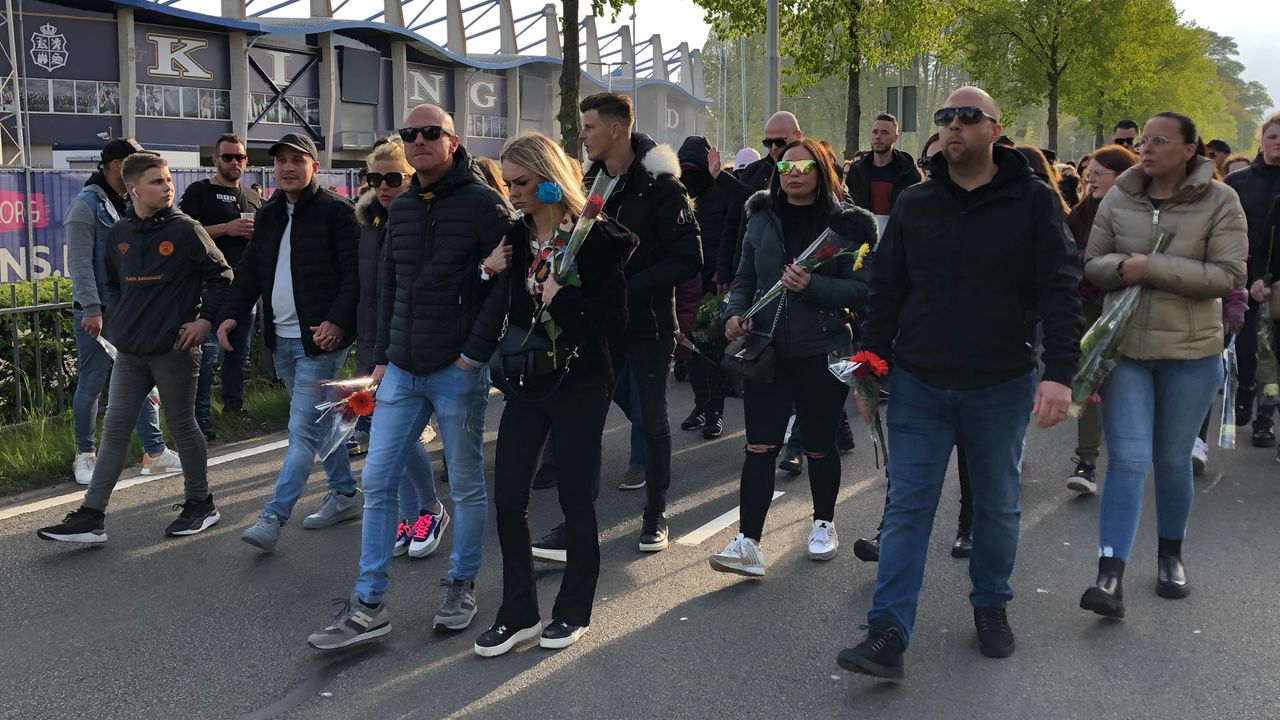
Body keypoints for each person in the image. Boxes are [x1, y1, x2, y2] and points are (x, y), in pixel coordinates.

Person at [838, 87, 1081, 679]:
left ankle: (991, 605)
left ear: (996, 130)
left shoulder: (1033, 202)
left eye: (968, 117)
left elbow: (1060, 290)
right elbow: (886, 290)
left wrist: (1060, 376)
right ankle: (888, 631)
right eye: (945, 118)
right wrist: (868, 368)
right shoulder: (917, 203)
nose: (953, 127)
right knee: (906, 508)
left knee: (997, 508)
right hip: (921, 384)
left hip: (1000, 384)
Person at [305, 105, 513, 649]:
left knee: (465, 485)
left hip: (456, 371)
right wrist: (381, 357)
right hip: (400, 366)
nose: (418, 141)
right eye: (410, 134)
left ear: (453, 141)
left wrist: (472, 356)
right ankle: (368, 603)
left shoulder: (485, 205)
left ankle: (462, 584)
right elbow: (389, 290)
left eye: (429, 134)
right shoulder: (398, 212)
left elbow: (501, 291)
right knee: (377, 483)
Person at [471, 132, 636, 657]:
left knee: (575, 498)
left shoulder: (597, 237)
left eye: (521, 182)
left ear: (548, 181)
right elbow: (502, 307)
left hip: (583, 381)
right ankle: (518, 611)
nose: (513, 192)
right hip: (528, 381)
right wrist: (486, 271)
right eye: (507, 182)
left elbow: (616, 320)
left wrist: (566, 301)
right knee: (509, 496)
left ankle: (572, 611)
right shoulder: (514, 239)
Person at [1079, 112, 1246, 618]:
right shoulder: (1120, 195)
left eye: (1159, 141)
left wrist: (1151, 267)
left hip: (1191, 355)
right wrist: (1124, 268)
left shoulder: (1221, 200)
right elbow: (1092, 263)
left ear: (1190, 150)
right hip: (1125, 350)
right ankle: (1110, 574)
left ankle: (1170, 555)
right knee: (1127, 460)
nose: (1146, 148)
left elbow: (1228, 273)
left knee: (1172, 462)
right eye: (1144, 140)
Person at [38, 152, 233, 543]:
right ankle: (92, 516)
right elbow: (111, 282)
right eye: (157, 181)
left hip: (173, 348)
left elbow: (223, 275)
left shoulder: (186, 229)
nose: (167, 187)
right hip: (130, 350)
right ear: (133, 189)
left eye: (167, 180)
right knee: (114, 430)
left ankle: (201, 503)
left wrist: (204, 321)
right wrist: (118, 318)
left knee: (181, 424)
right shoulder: (120, 234)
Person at [535, 92, 699, 556]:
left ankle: (655, 514)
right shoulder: (588, 183)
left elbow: (690, 257)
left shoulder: (662, 185)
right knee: (582, 423)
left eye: (588, 127)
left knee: (651, 418)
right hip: (596, 326)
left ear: (616, 130)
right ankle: (574, 524)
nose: (581, 135)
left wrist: (626, 286)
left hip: (647, 326)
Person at [710, 138, 874, 577]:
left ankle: (823, 523)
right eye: (785, 166)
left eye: (803, 165)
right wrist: (734, 313)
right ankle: (749, 541)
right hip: (767, 349)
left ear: (821, 170)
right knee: (759, 445)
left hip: (822, 348)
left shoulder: (847, 225)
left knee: (819, 445)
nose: (794, 172)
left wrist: (813, 287)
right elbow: (745, 276)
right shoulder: (761, 216)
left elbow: (862, 290)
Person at [218, 133, 361, 552]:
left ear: (314, 166)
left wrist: (337, 322)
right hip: (280, 339)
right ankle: (346, 495)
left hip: (320, 340)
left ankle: (273, 516)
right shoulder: (269, 214)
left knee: (300, 431)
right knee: (320, 421)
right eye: (280, 161)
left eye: (297, 160)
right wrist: (228, 314)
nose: (287, 167)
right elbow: (249, 271)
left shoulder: (337, 212)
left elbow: (355, 276)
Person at [353, 136, 451, 560]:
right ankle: (414, 512)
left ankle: (429, 508)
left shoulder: (426, 217)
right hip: (377, 341)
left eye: (394, 177)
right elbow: (370, 289)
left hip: (421, 347)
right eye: (375, 178)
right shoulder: (372, 223)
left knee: (400, 434)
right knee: (385, 434)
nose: (385, 186)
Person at [65, 138, 182, 485]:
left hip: (130, 311)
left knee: (142, 381)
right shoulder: (87, 205)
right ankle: (85, 455)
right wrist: (90, 307)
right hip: (97, 313)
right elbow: (80, 264)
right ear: (117, 165)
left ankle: (155, 452)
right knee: (93, 383)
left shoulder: (127, 202)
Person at [1064, 144, 1139, 494]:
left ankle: (1130, 460)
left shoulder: (1138, 212)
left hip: (1129, 308)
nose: (1089, 179)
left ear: (1121, 176)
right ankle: (1087, 461)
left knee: (1123, 387)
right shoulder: (1078, 214)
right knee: (1089, 383)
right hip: (1087, 310)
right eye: (1087, 173)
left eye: (1098, 174)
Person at [179, 133, 262, 440]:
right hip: (210, 286)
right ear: (215, 160)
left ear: (246, 161)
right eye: (227, 157)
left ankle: (234, 407)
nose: (234, 162)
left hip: (244, 287)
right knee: (208, 353)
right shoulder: (200, 191)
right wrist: (226, 228)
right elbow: (184, 234)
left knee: (238, 352)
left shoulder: (252, 197)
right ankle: (200, 416)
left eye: (239, 157)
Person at [1225, 113, 1280, 446]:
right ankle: (1245, 391)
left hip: (1278, 281)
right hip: (1241, 275)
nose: (1279, 142)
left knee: (1274, 353)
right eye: (1273, 136)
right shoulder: (1238, 182)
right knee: (1246, 350)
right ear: (1262, 139)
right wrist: (1252, 275)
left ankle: (1265, 419)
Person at [845, 113, 922, 235]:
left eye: (884, 133)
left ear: (895, 137)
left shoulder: (908, 171)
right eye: (875, 132)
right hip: (863, 243)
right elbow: (850, 207)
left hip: (897, 241)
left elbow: (916, 211)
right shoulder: (857, 171)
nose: (878, 137)